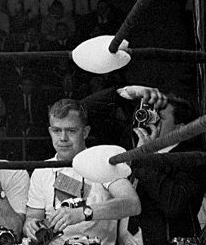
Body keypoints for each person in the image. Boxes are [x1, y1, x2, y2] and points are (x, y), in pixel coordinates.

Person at [82, 84, 206, 243]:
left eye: (159, 117)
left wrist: (144, 159)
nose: (150, 121)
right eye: (150, 113)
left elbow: (174, 205)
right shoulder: (131, 143)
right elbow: (82, 111)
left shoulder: (193, 158)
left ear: (181, 128)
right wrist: (128, 92)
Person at [24, 99, 141, 245]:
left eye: (71, 131)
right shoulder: (42, 171)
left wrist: (82, 213)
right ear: (50, 131)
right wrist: (31, 226)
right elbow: (32, 217)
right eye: (57, 130)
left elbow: (132, 203)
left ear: (85, 132)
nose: (63, 138)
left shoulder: (102, 162)